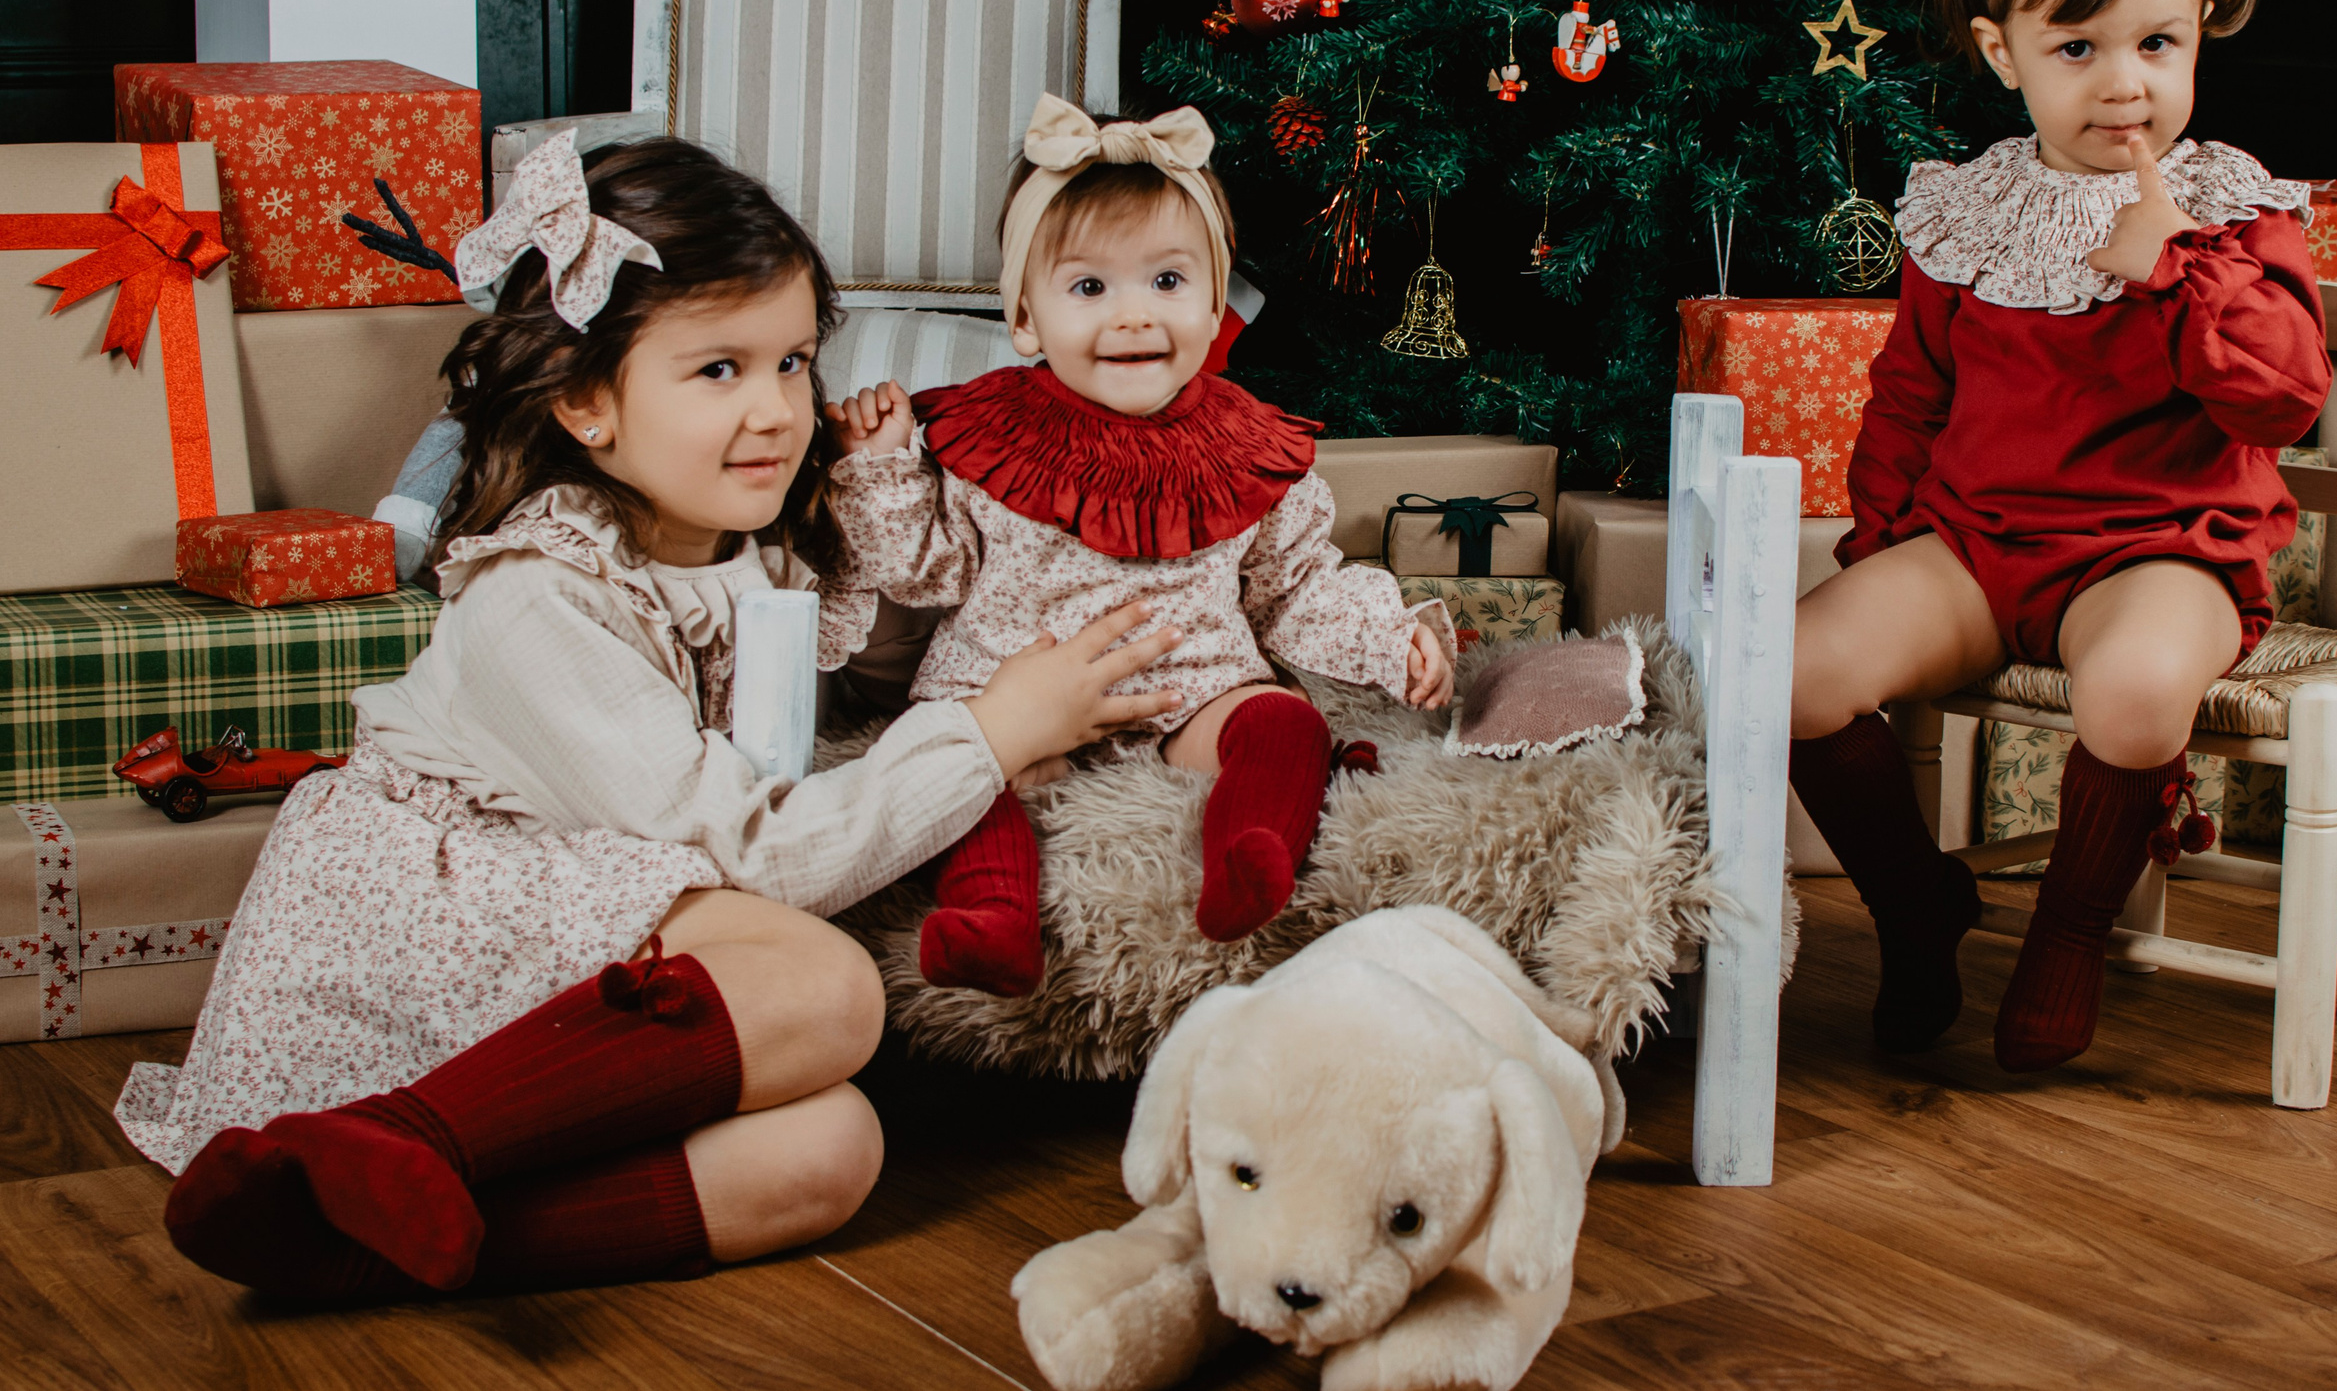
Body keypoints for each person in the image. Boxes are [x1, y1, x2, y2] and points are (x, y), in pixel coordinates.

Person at [129, 130, 1185, 1300]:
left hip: (594, 946)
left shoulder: (741, 547)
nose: (777, 409)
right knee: (828, 985)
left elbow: (842, 693)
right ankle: (394, 1134)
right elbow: (753, 849)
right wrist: (992, 731)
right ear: (586, 401)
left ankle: (349, 1241)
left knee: (830, 1153)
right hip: (449, 944)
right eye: (719, 369)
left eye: (793, 361)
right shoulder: (536, 600)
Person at [1787, 0, 2330, 1073]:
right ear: (2002, 53)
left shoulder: (2232, 213)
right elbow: (1911, 396)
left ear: (2198, 34)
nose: (2124, 83)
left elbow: (2286, 394)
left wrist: (2174, 269)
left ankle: (2069, 932)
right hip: (1976, 545)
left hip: (2162, 549)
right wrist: (1884, 550)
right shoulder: (1967, 210)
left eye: (2157, 44)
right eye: (2076, 48)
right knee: (1795, 671)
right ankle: (1915, 904)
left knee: (2133, 691)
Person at [830, 96, 1455, 998]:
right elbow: (930, 569)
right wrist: (882, 468)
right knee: (945, 762)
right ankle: (992, 915)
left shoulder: (1246, 445)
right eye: (1090, 289)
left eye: (1167, 281)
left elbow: (1294, 588)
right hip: (1013, 696)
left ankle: (1252, 853)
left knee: (1285, 721)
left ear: (1213, 305)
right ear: (1026, 318)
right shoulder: (989, 434)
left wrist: (1392, 637)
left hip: (1190, 694)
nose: (1133, 317)